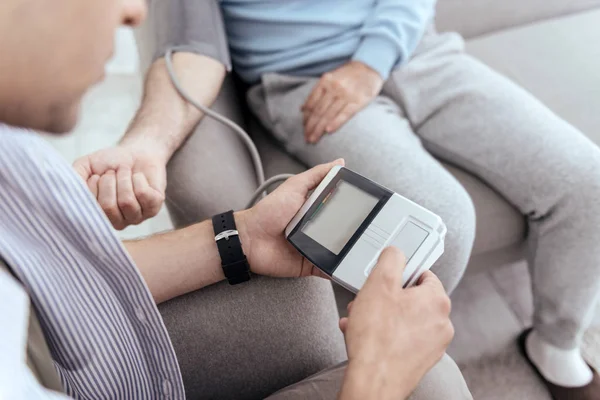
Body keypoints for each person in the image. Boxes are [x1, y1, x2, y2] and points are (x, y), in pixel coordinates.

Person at [74, 0, 600, 399]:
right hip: (304, 84)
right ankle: (407, 349)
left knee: (588, 179)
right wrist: (146, 143)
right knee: (443, 227)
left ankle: (554, 342)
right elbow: (193, 45)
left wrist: (371, 64)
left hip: (418, 50)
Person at [0, 0, 474, 399]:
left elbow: (45, 282)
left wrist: (239, 236)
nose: (136, 13)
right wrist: (375, 382)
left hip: (88, 349)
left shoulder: (14, 149)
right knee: (432, 386)